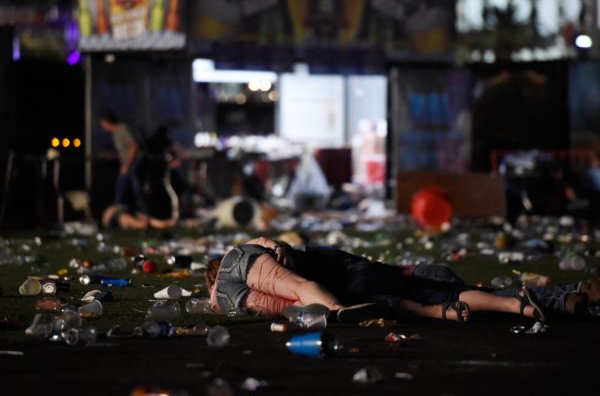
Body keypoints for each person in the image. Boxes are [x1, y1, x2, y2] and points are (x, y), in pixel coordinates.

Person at [205, 237, 599, 323]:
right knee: (464, 288)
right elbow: (293, 244)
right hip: (377, 277)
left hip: (371, 290)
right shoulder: (298, 257)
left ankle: (559, 298)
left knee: (453, 298)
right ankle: (561, 296)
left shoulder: (232, 287)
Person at [100, 111, 148, 214]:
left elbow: (133, 146)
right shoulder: (115, 133)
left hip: (134, 162)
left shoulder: (122, 129)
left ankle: (145, 212)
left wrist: (127, 164)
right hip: (127, 163)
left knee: (136, 186)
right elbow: (124, 150)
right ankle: (117, 210)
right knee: (121, 186)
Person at [101, 204, 177, 230]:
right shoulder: (124, 218)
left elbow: (146, 221)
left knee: (147, 220)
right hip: (114, 215)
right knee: (144, 222)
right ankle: (169, 223)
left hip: (117, 211)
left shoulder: (126, 215)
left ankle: (169, 223)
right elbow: (143, 224)